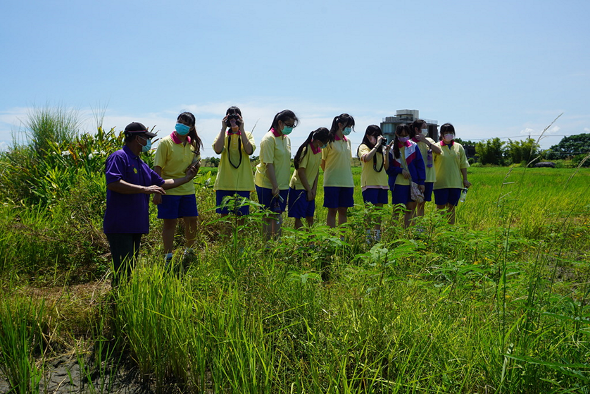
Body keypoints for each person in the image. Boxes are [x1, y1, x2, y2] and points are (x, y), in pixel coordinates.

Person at [103, 122, 197, 286]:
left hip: (135, 225)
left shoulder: (140, 163)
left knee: (129, 268)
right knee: (122, 269)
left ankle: (124, 302)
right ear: (137, 138)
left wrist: (187, 178)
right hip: (120, 225)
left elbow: (161, 182)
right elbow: (113, 182)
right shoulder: (119, 157)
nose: (148, 142)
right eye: (146, 138)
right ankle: (115, 303)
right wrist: (143, 189)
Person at [152, 112, 203, 265]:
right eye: (179, 121)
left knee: (192, 220)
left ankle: (190, 251)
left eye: (186, 123)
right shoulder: (165, 143)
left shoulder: (193, 144)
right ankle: (168, 256)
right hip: (169, 189)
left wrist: (195, 167)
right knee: (169, 223)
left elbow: (197, 162)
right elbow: (157, 168)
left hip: (187, 189)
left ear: (192, 127)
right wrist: (157, 191)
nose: (181, 125)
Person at [254, 109, 298, 239]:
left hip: (282, 184)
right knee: (268, 215)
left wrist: (280, 186)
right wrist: (274, 186)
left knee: (278, 214)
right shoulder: (268, 139)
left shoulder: (286, 139)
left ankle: (277, 243)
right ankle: (267, 244)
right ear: (280, 123)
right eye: (288, 125)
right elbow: (269, 164)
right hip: (267, 184)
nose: (290, 128)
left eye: (292, 126)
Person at [212, 106, 256, 227]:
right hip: (224, 182)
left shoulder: (247, 135)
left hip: (243, 183)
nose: (233, 119)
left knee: (241, 218)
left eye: (236, 116)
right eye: (230, 116)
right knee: (224, 218)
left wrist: (241, 129)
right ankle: (225, 243)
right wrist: (223, 128)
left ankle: (239, 243)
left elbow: (249, 151)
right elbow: (218, 149)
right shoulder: (222, 135)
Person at [288, 127, 330, 229]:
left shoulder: (318, 151)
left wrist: (313, 189)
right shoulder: (306, 150)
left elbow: (316, 171)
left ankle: (310, 242)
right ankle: (299, 241)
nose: (326, 145)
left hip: (310, 188)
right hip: (299, 187)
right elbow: (301, 172)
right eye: (325, 142)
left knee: (310, 216)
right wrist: (308, 190)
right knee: (298, 217)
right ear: (318, 141)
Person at [386, 124, 426, 228]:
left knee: (410, 209)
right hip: (398, 184)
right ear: (396, 134)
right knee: (397, 210)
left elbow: (420, 165)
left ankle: (406, 232)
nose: (404, 137)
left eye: (406, 135)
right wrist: (400, 170)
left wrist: (421, 182)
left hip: (412, 183)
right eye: (401, 135)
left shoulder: (413, 146)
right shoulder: (391, 148)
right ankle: (393, 232)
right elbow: (388, 169)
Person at [358, 125, 391, 242]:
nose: (377, 138)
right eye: (375, 136)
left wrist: (385, 152)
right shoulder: (363, 147)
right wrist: (377, 145)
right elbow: (366, 158)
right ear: (368, 136)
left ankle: (377, 236)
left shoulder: (380, 149)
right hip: (369, 184)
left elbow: (386, 167)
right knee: (369, 212)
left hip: (382, 183)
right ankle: (367, 237)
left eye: (379, 136)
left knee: (378, 213)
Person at [432, 123, 471, 224]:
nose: (448, 135)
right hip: (440, 183)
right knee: (440, 208)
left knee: (451, 208)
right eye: (446, 133)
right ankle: (439, 230)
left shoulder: (459, 147)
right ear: (441, 134)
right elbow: (429, 164)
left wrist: (465, 179)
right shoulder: (436, 147)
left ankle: (450, 230)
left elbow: (463, 164)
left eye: (450, 132)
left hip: (455, 183)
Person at [322, 113, 355, 228]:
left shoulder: (348, 141)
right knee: (332, 210)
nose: (349, 129)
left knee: (343, 210)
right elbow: (323, 162)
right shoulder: (328, 141)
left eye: (351, 126)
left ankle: (342, 238)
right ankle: (331, 239)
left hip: (347, 182)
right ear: (339, 124)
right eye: (348, 126)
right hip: (332, 182)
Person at [410, 119, 442, 217]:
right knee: (413, 203)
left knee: (422, 203)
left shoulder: (430, 140)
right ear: (416, 129)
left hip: (429, 177)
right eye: (423, 128)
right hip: (416, 178)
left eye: (426, 128)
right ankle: (413, 225)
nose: (425, 130)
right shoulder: (411, 142)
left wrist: (425, 141)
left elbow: (438, 151)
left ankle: (420, 226)